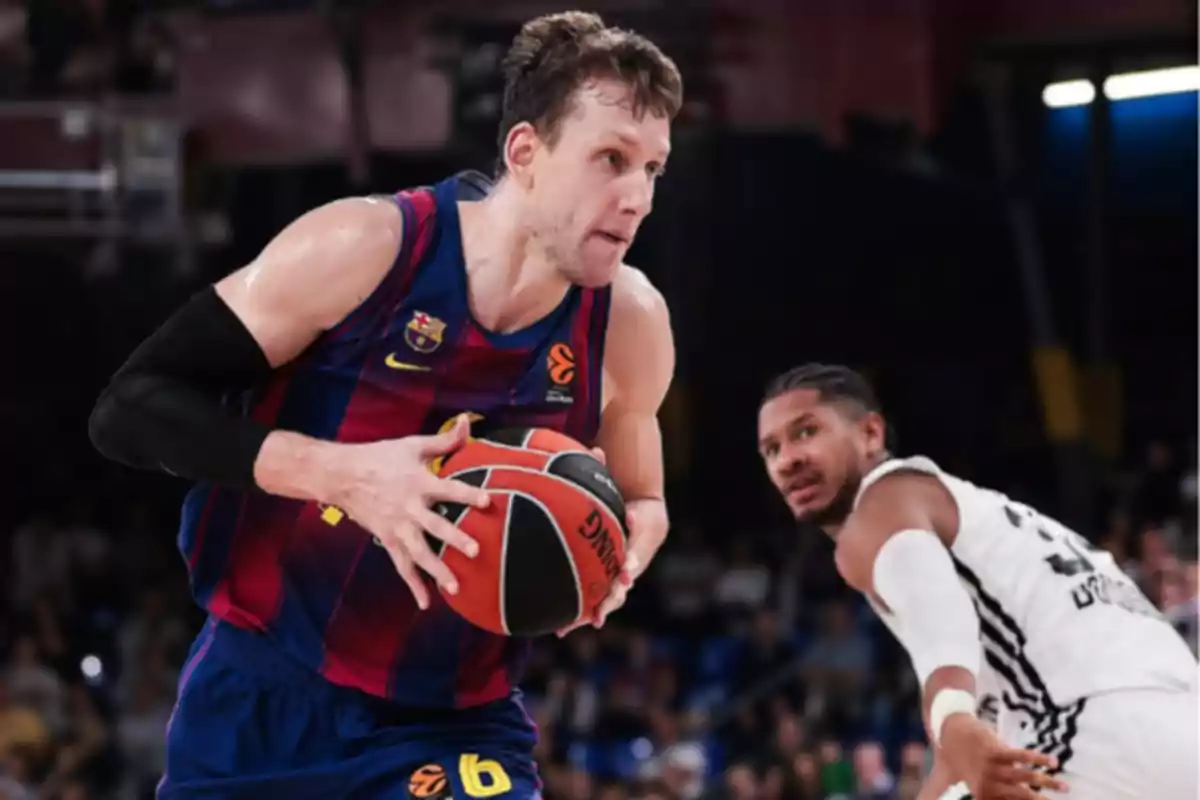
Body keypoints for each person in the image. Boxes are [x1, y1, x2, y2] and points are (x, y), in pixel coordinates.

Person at [88, 11, 679, 798]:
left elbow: (644, 498)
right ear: (526, 153)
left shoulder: (631, 324)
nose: (636, 196)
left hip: (455, 723)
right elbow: (129, 408)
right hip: (262, 694)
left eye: (653, 170)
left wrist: (620, 555)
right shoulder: (368, 249)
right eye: (611, 159)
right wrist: (343, 475)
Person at [756, 363, 1198, 800]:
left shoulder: (881, 504)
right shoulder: (978, 516)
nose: (788, 459)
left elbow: (936, 607)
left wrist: (951, 714)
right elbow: (966, 754)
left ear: (871, 433)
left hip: (1091, 726)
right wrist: (956, 730)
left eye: (806, 432)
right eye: (771, 449)